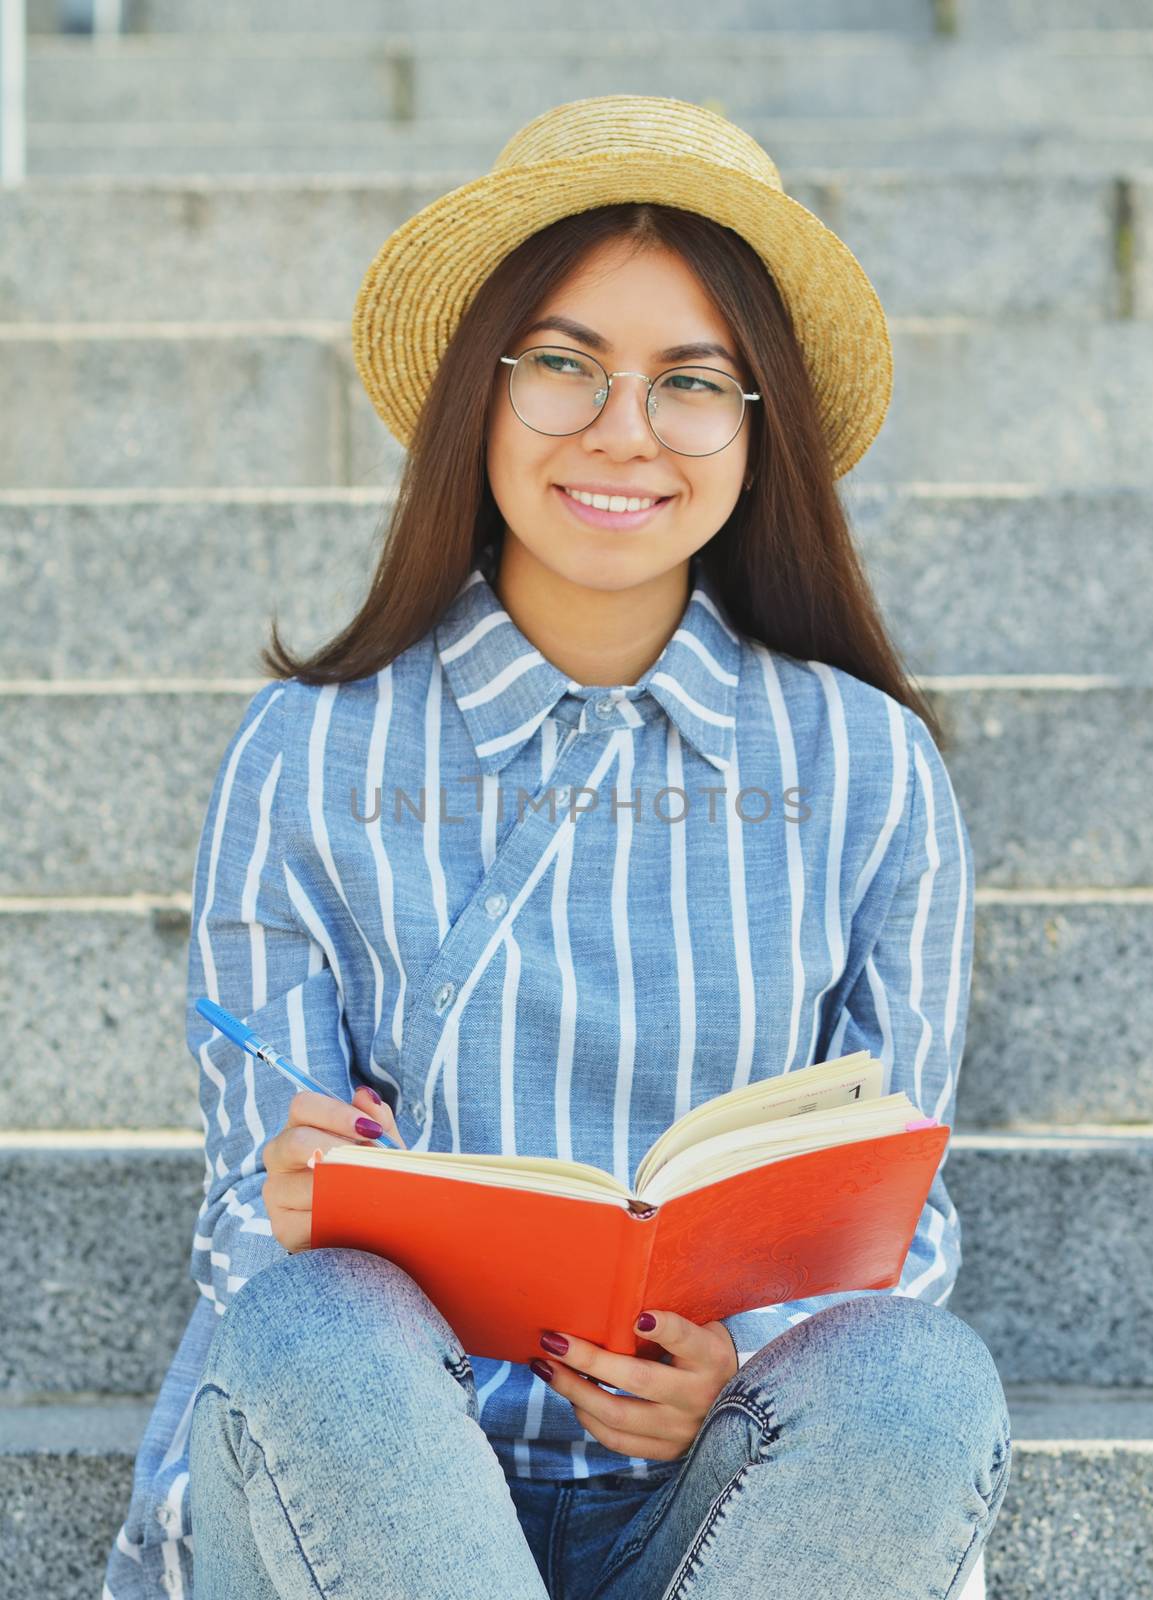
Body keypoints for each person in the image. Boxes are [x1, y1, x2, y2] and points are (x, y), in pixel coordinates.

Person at [102, 94, 1011, 1600]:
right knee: (311, 1319)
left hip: (725, 1503)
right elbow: (243, 1222)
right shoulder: (311, 751)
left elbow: (894, 1212)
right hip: (371, 1488)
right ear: (483, 387)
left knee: (913, 1376)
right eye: (564, 364)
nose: (622, 430)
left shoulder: (865, 770)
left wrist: (734, 1369)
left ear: (754, 423)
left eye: (691, 382)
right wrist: (296, 1188)